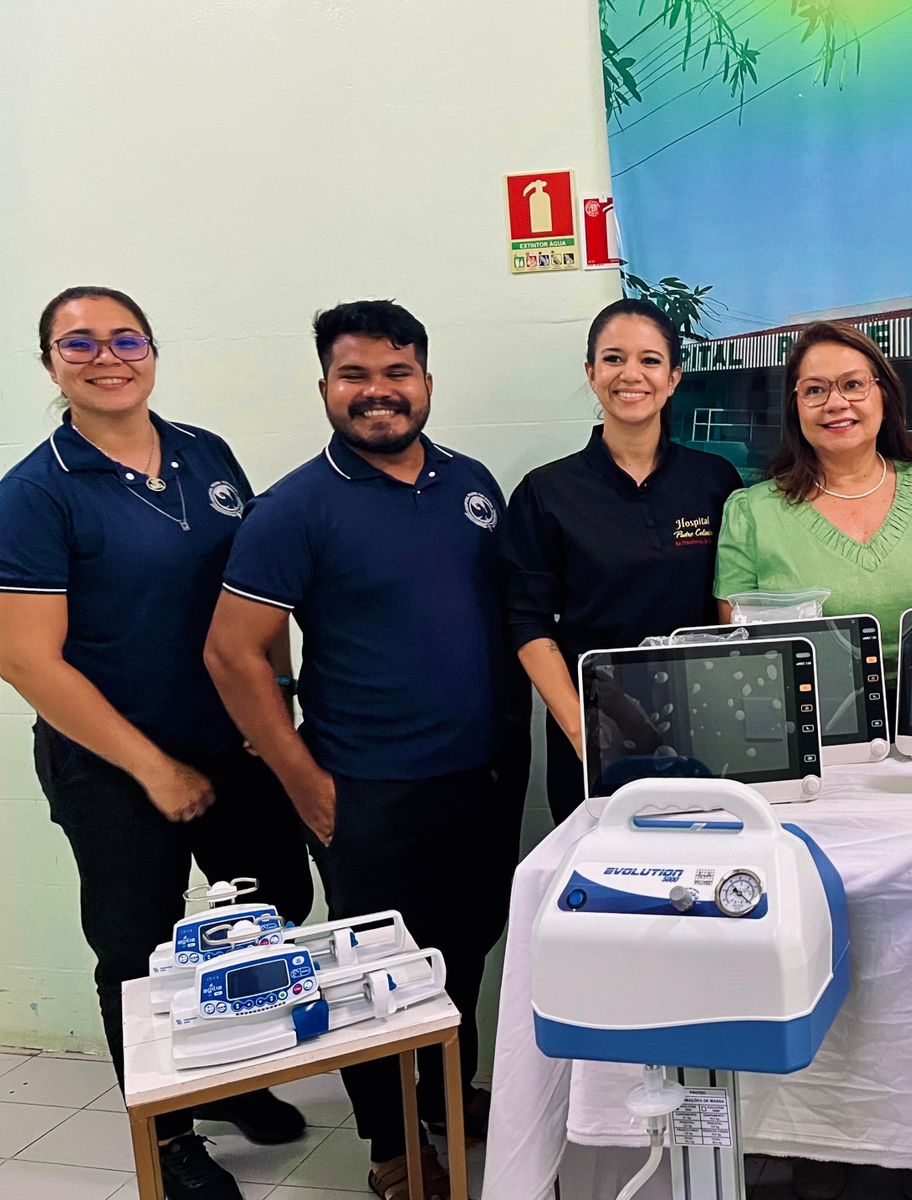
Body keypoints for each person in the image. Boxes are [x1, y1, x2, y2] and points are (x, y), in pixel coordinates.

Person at [204, 300, 527, 1200]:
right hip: (366, 789)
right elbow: (231, 653)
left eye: (396, 373)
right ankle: (392, 1144)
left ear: (426, 383)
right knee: (368, 977)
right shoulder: (294, 508)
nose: (377, 392)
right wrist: (303, 781)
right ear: (325, 388)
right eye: (355, 375)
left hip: (479, 778)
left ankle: (445, 1091)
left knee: (462, 950)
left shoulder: (471, 484)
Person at [0, 287, 314, 1200]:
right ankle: (167, 1135)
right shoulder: (36, 493)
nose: (107, 357)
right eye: (80, 344)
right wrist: (153, 767)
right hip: (112, 764)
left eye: (125, 338)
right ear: (50, 363)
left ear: (152, 350)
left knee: (273, 907)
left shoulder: (203, 453)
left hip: (231, 744)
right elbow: (24, 659)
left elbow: (257, 592)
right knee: (136, 948)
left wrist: (274, 705)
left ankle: (229, 1074)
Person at [503, 298, 743, 824]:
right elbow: (527, 621)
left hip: (707, 727)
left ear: (674, 378)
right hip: (594, 736)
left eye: (650, 360)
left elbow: (733, 604)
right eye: (613, 359)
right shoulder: (547, 492)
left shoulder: (715, 480)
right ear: (591, 373)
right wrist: (581, 732)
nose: (630, 374)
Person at [714, 320, 912, 683]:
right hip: (813, 714)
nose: (835, 403)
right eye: (815, 390)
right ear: (795, 408)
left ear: (884, 396)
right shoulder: (751, 514)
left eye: (852, 385)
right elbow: (742, 656)